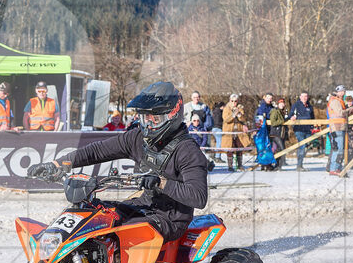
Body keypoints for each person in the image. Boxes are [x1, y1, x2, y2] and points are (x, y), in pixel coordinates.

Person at [27, 81, 208, 242]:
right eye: (145, 118)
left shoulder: (187, 150)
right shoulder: (137, 138)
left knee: (119, 232)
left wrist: (161, 182)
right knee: (93, 216)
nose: (148, 125)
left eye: (155, 119)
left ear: (172, 115)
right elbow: (98, 150)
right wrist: (58, 164)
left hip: (170, 218)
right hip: (145, 205)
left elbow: (199, 197)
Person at [326, 85, 353, 175]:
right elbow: (340, 113)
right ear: (337, 92)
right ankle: (333, 168)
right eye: (341, 91)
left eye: (344, 91)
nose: (343, 93)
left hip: (340, 127)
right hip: (336, 127)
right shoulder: (335, 101)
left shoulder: (339, 101)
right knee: (338, 149)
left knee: (339, 149)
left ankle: (336, 167)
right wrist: (351, 109)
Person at [288, 91, 314, 170]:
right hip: (299, 129)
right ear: (300, 97)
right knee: (302, 146)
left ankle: (300, 163)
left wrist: (313, 126)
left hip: (308, 129)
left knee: (309, 145)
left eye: (306, 96)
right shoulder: (296, 105)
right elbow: (291, 114)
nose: (304, 98)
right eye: (303, 96)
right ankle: (299, 165)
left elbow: (313, 117)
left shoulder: (309, 106)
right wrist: (292, 117)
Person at [221, 93, 246, 171]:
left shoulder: (239, 108)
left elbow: (243, 119)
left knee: (239, 148)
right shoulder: (226, 108)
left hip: (238, 131)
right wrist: (233, 115)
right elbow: (226, 119)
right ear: (230, 100)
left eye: (235, 101)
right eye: (232, 101)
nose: (234, 102)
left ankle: (240, 165)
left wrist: (239, 115)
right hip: (229, 131)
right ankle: (230, 166)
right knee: (230, 149)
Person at [269, 98, 287, 167]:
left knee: (279, 150)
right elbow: (273, 122)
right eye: (280, 103)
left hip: (280, 133)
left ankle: (278, 165)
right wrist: (282, 122)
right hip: (275, 133)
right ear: (278, 104)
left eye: (283, 103)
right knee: (281, 149)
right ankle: (277, 165)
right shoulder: (275, 111)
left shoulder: (282, 111)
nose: (282, 105)